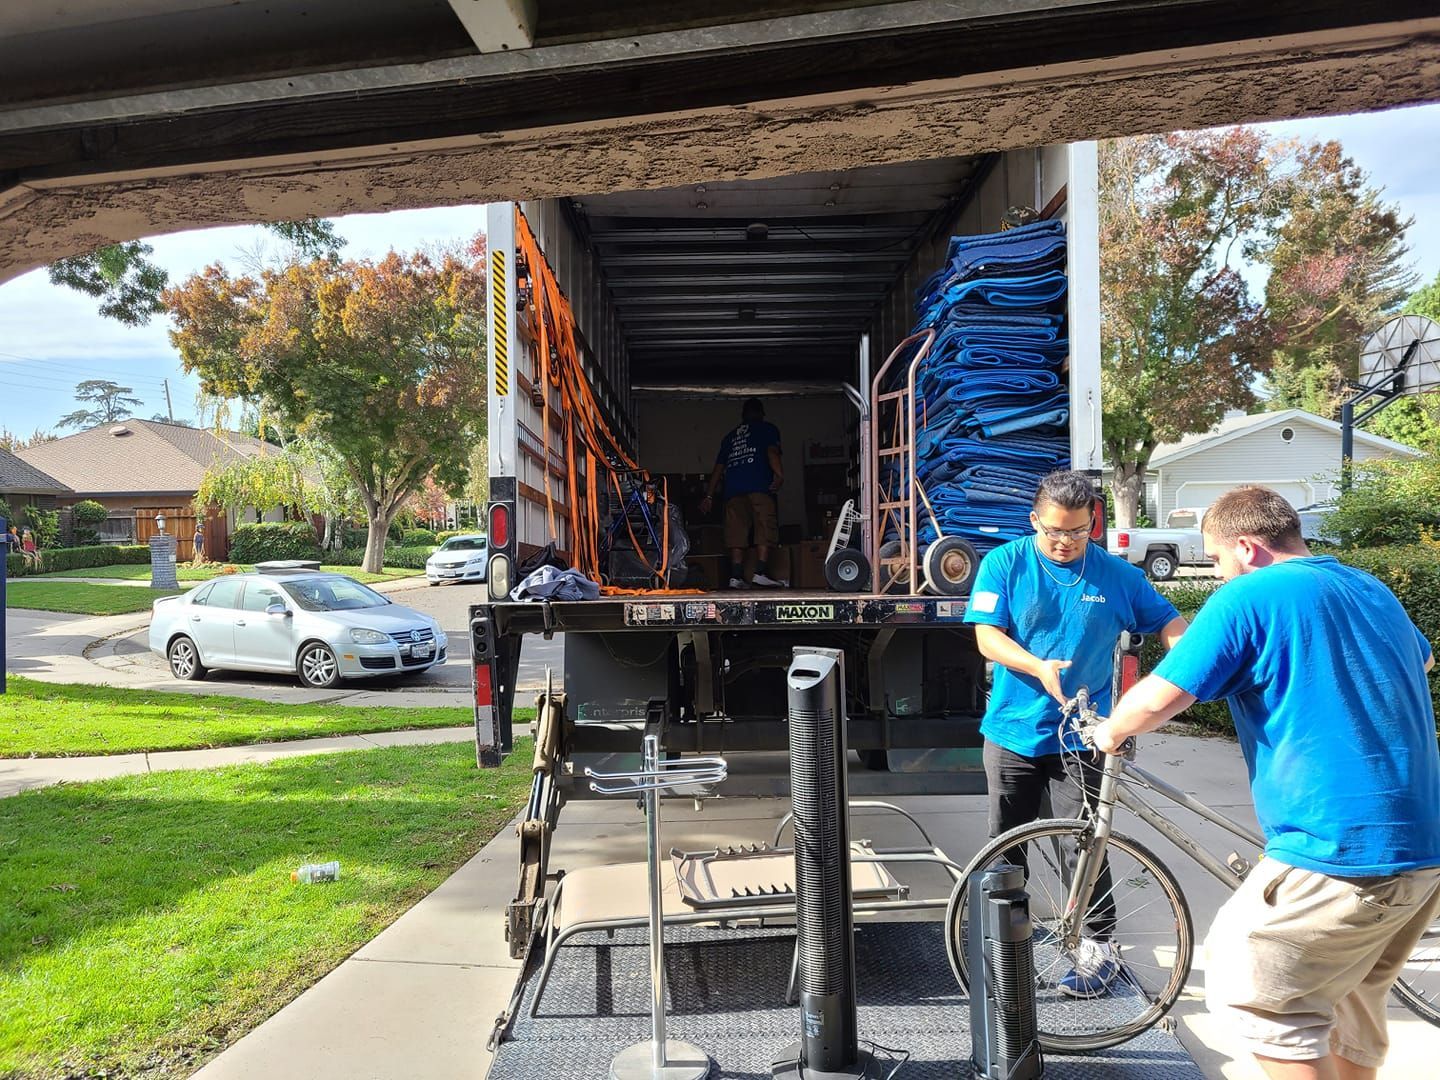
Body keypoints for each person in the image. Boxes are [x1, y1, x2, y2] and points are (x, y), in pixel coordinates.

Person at [1095, 486, 1440, 1080]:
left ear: (1248, 548)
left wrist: (1108, 730)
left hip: (1338, 849)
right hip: (1422, 851)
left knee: (1256, 989)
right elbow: (1424, 660)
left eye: (1218, 562)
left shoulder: (1250, 595)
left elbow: (1160, 696)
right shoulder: (1370, 589)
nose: (1219, 575)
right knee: (1351, 1002)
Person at [964, 469, 1188, 996]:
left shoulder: (1116, 577)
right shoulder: (1006, 563)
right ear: (1034, 521)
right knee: (1004, 845)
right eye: (1054, 531)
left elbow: (1171, 624)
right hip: (1014, 731)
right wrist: (1037, 666)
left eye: (1077, 532)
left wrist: (1196, 663)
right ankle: (1004, 947)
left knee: (1081, 843)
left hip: (1082, 735)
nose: (1064, 542)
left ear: (1094, 524)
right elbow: (985, 637)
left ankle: (1099, 948)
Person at [698, 397, 784, 588]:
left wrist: (709, 496)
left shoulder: (730, 437)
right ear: (761, 413)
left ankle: (735, 577)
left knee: (736, 532)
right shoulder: (767, 429)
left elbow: (719, 468)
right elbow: (772, 452)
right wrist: (779, 475)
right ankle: (760, 573)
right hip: (760, 487)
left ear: (743, 415)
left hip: (733, 490)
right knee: (764, 527)